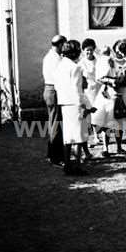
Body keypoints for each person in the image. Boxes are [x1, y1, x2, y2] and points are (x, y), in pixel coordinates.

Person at [54, 40, 89, 176]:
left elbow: (57, 86)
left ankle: (68, 164)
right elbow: (76, 88)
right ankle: (78, 166)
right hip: (75, 103)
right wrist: (81, 104)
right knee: (79, 136)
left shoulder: (60, 66)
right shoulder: (75, 67)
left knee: (68, 136)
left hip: (64, 102)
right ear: (75, 52)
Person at [92, 46, 126, 157]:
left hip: (120, 92)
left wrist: (121, 80)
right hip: (108, 92)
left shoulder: (121, 61)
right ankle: (105, 147)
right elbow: (100, 77)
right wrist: (112, 81)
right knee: (106, 121)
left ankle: (118, 147)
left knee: (119, 120)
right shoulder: (104, 61)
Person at [42, 34, 67, 166]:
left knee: (53, 123)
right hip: (54, 90)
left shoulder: (51, 56)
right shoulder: (54, 59)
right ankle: (56, 157)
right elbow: (59, 77)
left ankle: (52, 154)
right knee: (56, 124)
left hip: (50, 89)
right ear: (60, 45)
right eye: (65, 45)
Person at [78, 38, 100, 146]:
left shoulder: (98, 60)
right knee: (88, 115)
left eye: (91, 50)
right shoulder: (81, 63)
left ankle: (97, 136)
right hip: (87, 91)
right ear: (83, 50)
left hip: (98, 90)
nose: (89, 52)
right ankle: (88, 138)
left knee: (97, 114)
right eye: (87, 50)